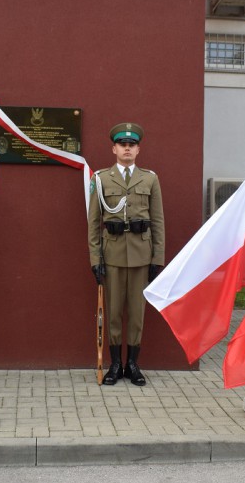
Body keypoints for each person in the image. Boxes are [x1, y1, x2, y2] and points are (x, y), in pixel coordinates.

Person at [88, 122, 165, 386]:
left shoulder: (150, 179)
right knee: (113, 312)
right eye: (123, 145)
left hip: (142, 255)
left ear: (138, 149)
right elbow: (93, 223)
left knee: (136, 312)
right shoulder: (100, 179)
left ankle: (132, 364)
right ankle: (115, 364)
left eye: (132, 145)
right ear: (114, 148)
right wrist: (94, 259)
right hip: (112, 255)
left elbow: (157, 222)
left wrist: (157, 258)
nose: (127, 149)